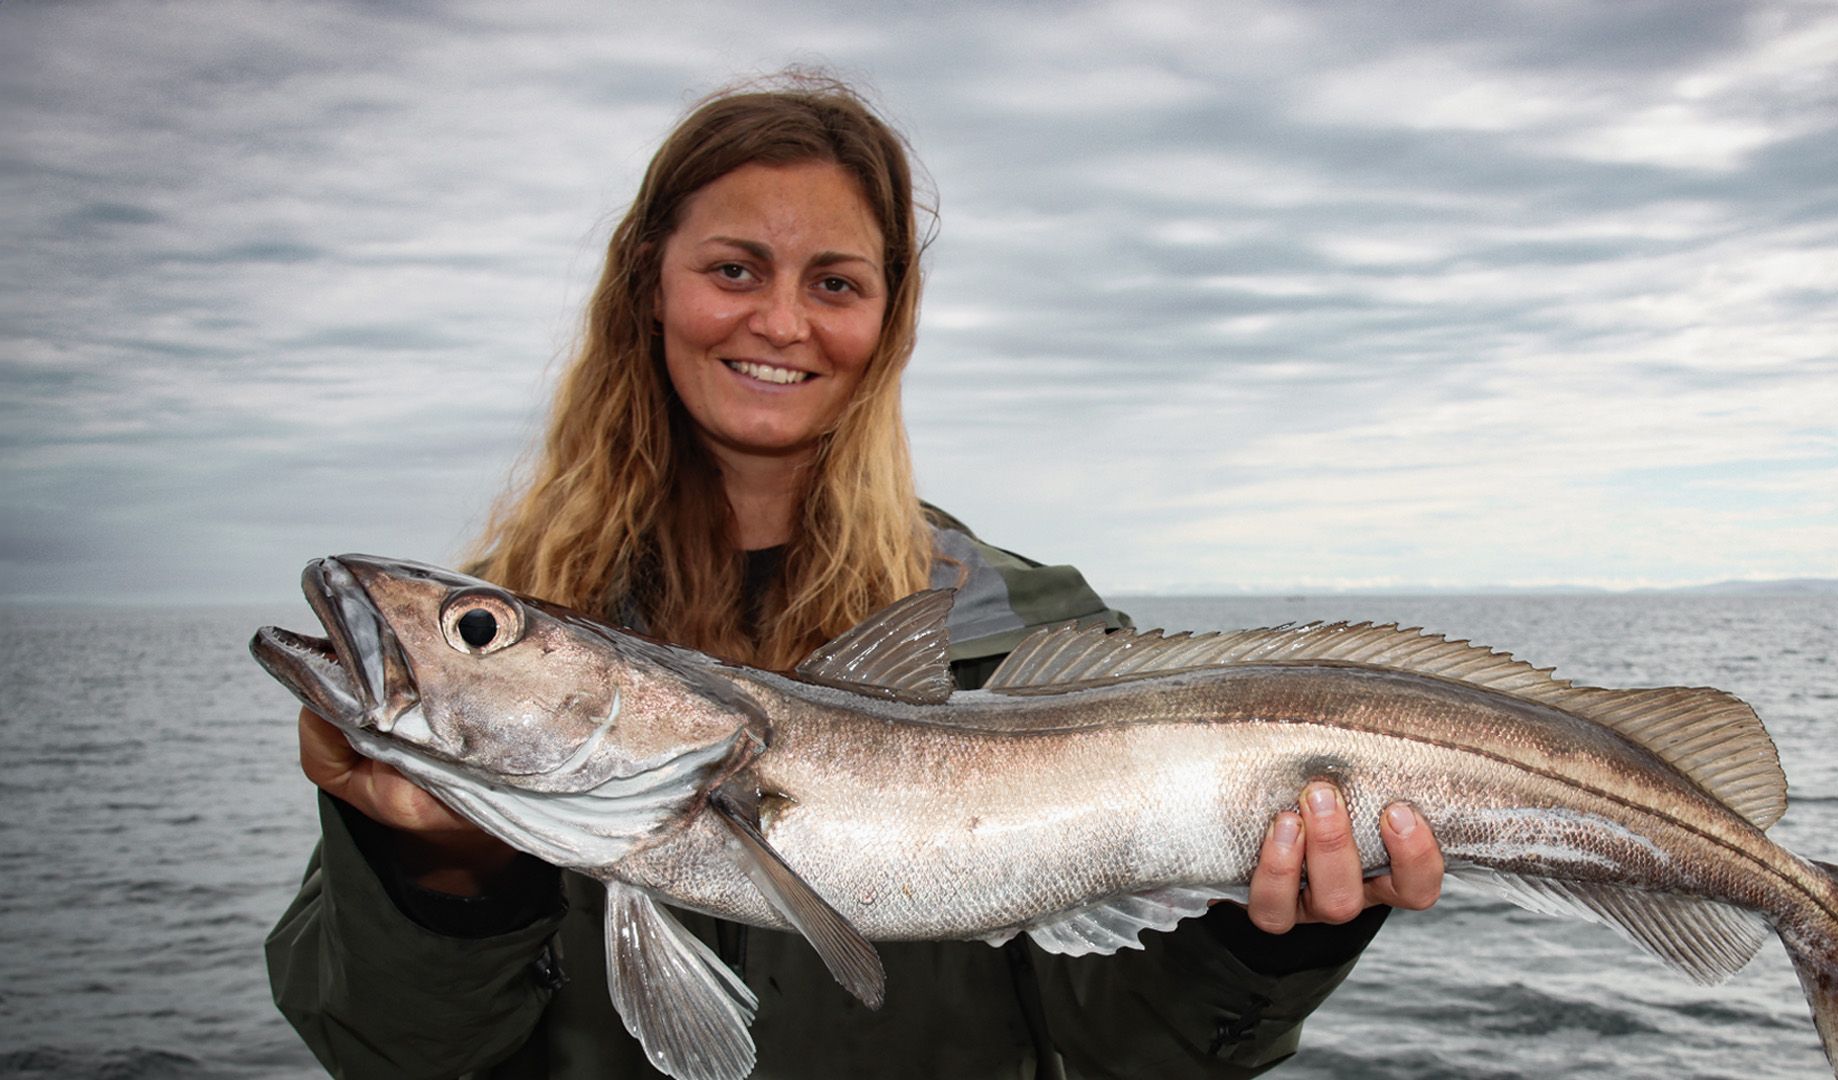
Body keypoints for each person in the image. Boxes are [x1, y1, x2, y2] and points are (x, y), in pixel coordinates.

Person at [267, 74, 1445, 1079]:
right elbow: (388, 1053)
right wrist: (439, 878)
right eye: (734, 268)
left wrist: (1268, 942)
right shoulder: (503, 690)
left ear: (889, 319)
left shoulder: (1026, 634)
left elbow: (1127, 1051)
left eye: (835, 282)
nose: (781, 321)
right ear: (647, 285)